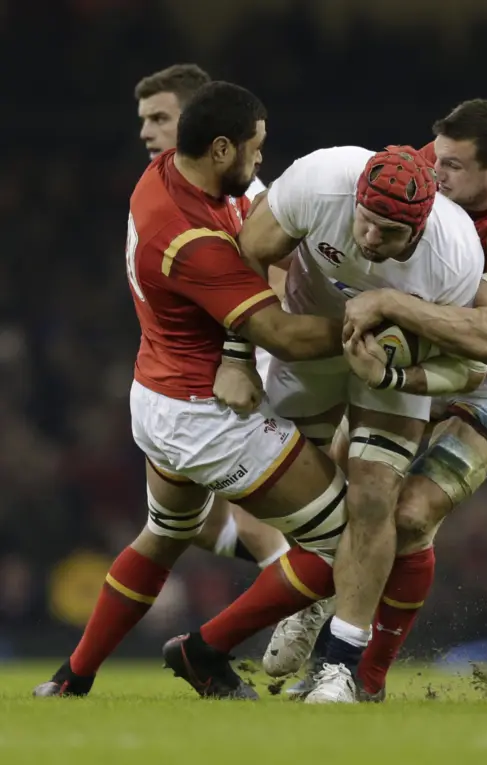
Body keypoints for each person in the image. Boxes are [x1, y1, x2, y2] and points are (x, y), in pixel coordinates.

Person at [33, 81, 350, 699]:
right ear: (222, 148)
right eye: (255, 151)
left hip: (156, 396)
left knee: (166, 533)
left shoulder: (164, 174)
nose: (261, 164)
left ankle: (71, 679)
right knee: (350, 539)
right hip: (205, 414)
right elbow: (282, 333)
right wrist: (378, 325)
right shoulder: (188, 241)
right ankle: (205, 652)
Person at [176, 143, 486, 704]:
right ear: (355, 198)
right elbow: (246, 253)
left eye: (388, 234)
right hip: (307, 347)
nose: (369, 239)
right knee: (300, 505)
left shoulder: (456, 254)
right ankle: (315, 599)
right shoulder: (321, 180)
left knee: (372, 499)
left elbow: (466, 367)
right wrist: (237, 356)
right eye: (365, 222)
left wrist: (393, 378)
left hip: (388, 369)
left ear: (419, 227)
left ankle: (339, 666)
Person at [317, 97, 487, 700]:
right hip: (424, 353)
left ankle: (363, 676)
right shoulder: (429, 168)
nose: (436, 173)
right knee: (345, 487)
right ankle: (315, 619)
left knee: (409, 515)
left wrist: (391, 304)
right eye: (438, 156)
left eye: (453, 166)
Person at [135, 62, 305, 576]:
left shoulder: (247, 193)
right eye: (143, 119)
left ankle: (306, 617)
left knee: (275, 520)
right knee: (192, 525)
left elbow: (281, 281)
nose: (146, 130)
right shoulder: (161, 185)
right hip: (184, 376)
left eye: (160, 118)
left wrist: (240, 354)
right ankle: (291, 580)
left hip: (242, 382)